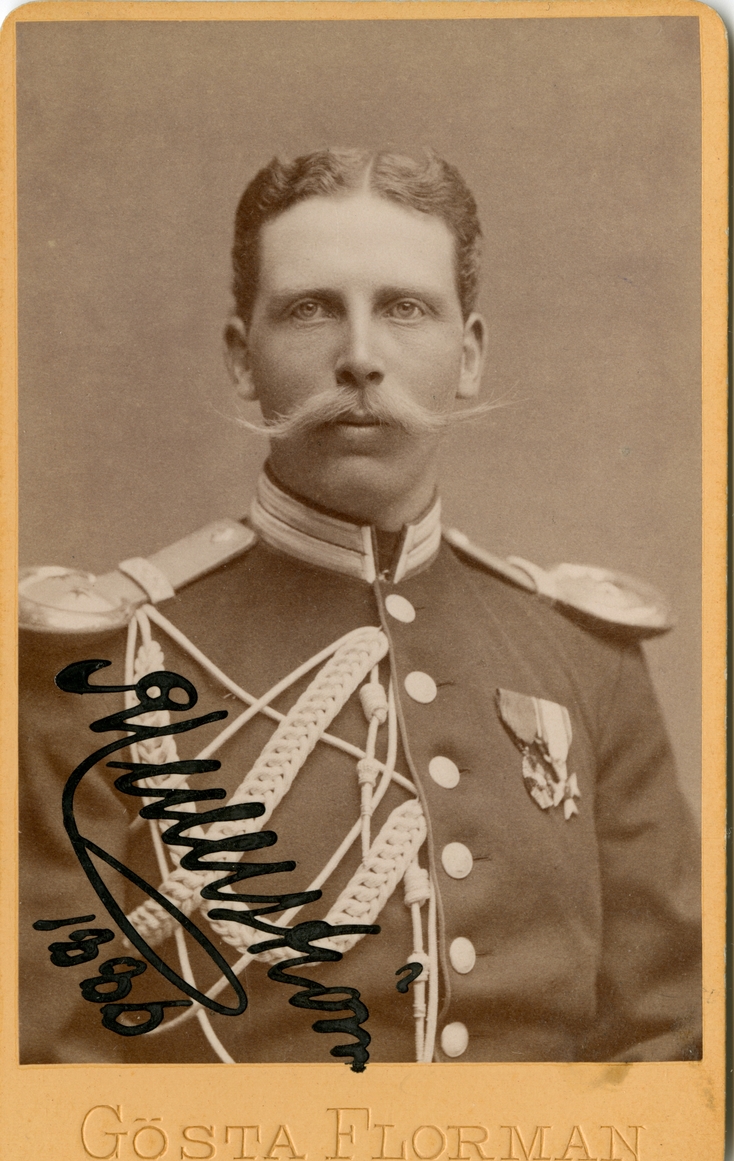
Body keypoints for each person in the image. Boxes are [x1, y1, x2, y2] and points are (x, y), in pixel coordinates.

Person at [18, 148, 701, 1068]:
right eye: (310, 309)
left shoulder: (584, 656)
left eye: (405, 308)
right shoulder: (100, 665)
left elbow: (669, 1042)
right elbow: (50, 1075)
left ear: (469, 355)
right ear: (241, 358)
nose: (361, 358)